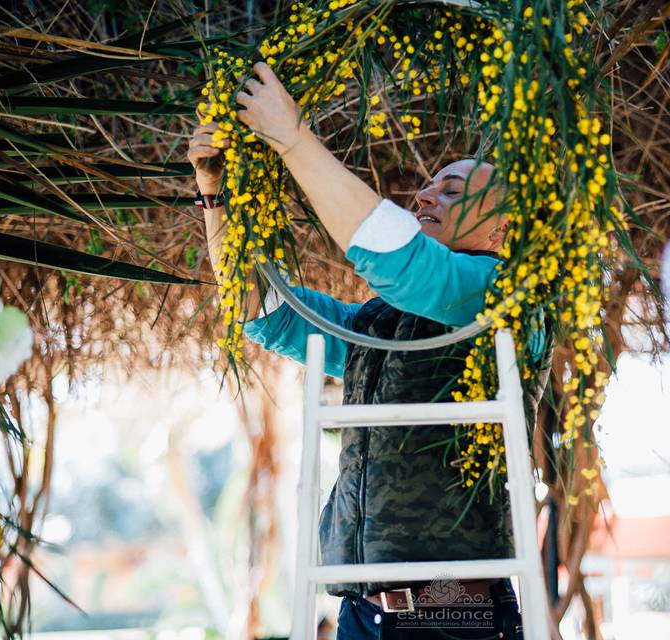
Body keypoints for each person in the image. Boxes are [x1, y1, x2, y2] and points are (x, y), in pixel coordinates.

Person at [187, 61, 552, 639]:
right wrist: (215, 194)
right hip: (364, 612)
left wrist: (294, 139)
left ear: (503, 232)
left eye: (451, 190)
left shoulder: (506, 296)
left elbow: (402, 261)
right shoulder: (380, 320)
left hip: (454, 612)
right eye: (428, 184)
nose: (425, 194)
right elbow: (266, 313)